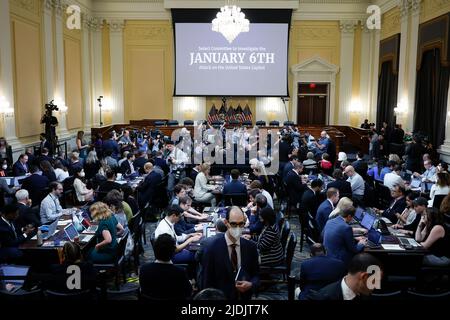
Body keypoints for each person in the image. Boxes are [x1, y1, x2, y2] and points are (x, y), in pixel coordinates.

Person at [202, 206, 259, 300]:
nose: (238, 227)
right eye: (233, 224)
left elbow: (256, 275)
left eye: (241, 224)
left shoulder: (251, 247)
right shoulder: (212, 248)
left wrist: (251, 284)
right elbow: (207, 283)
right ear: (226, 223)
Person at [307, 253, 382, 300]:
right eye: (375, 281)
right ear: (364, 277)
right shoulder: (323, 297)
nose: (377, 286)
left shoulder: (365, 293)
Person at [140, 233, 193, 300]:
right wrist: (190, 283)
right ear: (173, 252)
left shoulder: (143, 270)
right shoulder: (180, 272)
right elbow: (188, 293)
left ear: (155, 250)